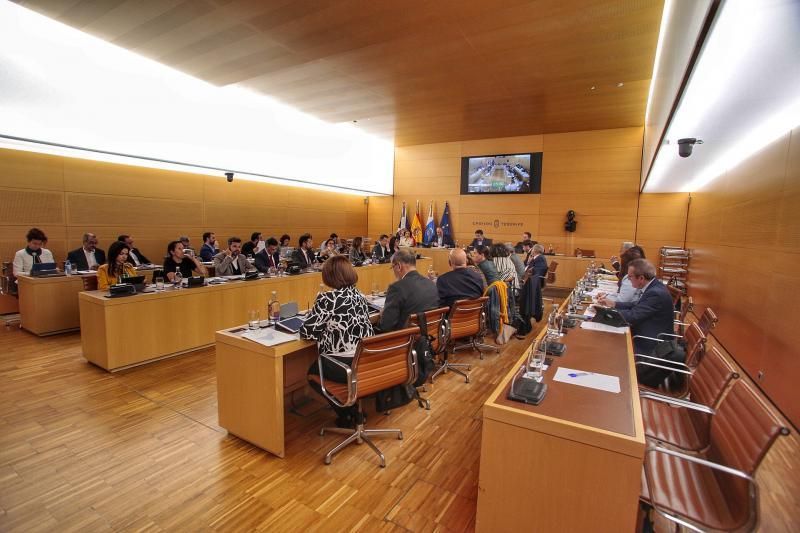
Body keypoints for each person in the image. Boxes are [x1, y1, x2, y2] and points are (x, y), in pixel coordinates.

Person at [302, 256, 374, 428]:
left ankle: (347, 414)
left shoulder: (327, 299)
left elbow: (306, 332)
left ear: (329, 276)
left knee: (313, 372)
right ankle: (353, 407)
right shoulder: (360, 296)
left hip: (344, 365)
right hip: (364, 360)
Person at [596, 259, 674, 355]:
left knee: (609, 348)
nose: (628, 279)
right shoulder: (654, 286)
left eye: (630, 277)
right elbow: (636, 304)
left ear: (641, 278)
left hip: (650, 343)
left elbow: (633, 316)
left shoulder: (656, 293)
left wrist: (605, 312)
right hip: (644, 332)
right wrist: (613, 304)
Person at [378, 248, 439, 332]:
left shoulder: (396, 288)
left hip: (406, 341)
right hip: (431, 337)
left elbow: (386, 326)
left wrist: (384, 315)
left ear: (399, 266)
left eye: (393, 267)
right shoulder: (431, 284)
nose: (393, 271)